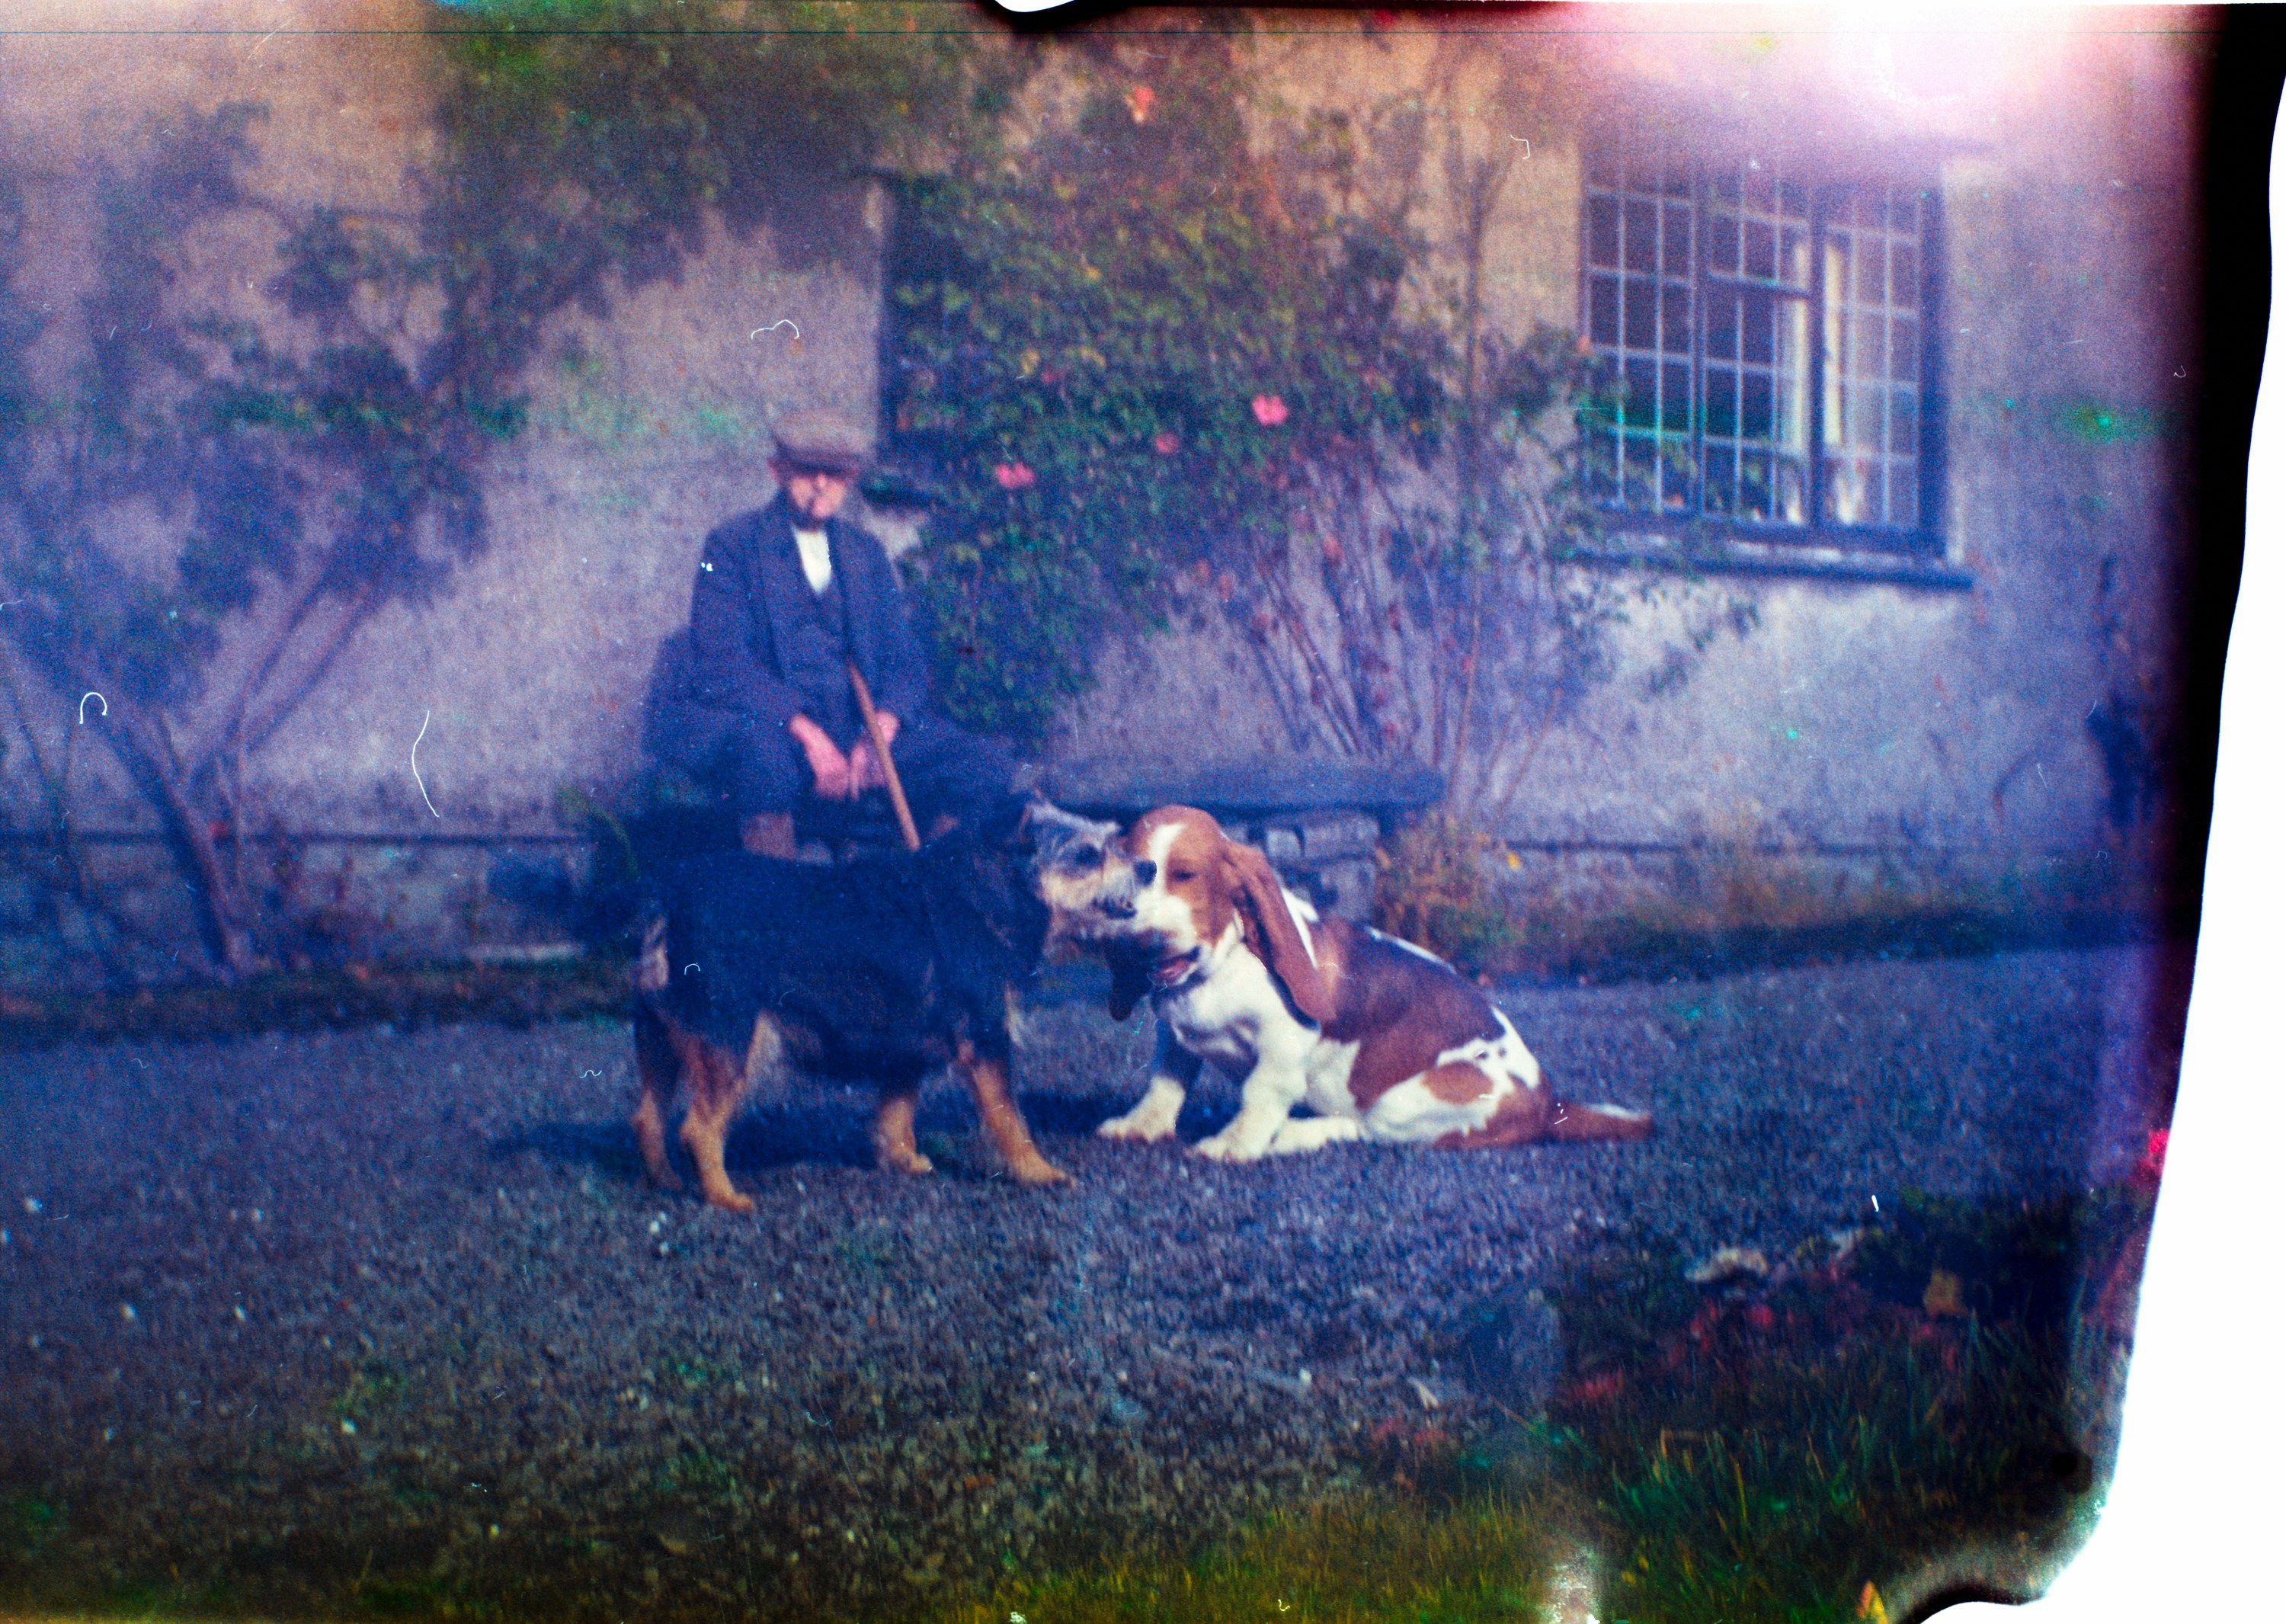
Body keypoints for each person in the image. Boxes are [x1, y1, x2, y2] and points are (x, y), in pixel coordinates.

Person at [652, 409, 1014, 858]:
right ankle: (780, 897)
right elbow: (720, 662)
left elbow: (903, 658)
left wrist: (882, 728)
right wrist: (808, 734)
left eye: (835, 474)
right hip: (777, 727)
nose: (821, 484)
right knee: (764, 765)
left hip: (857, 730)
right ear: (777, 471)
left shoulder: (865, 553)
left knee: (981, 765)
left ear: (851, 478)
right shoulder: (732, 546)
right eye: (807, 471)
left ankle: (926, 883)